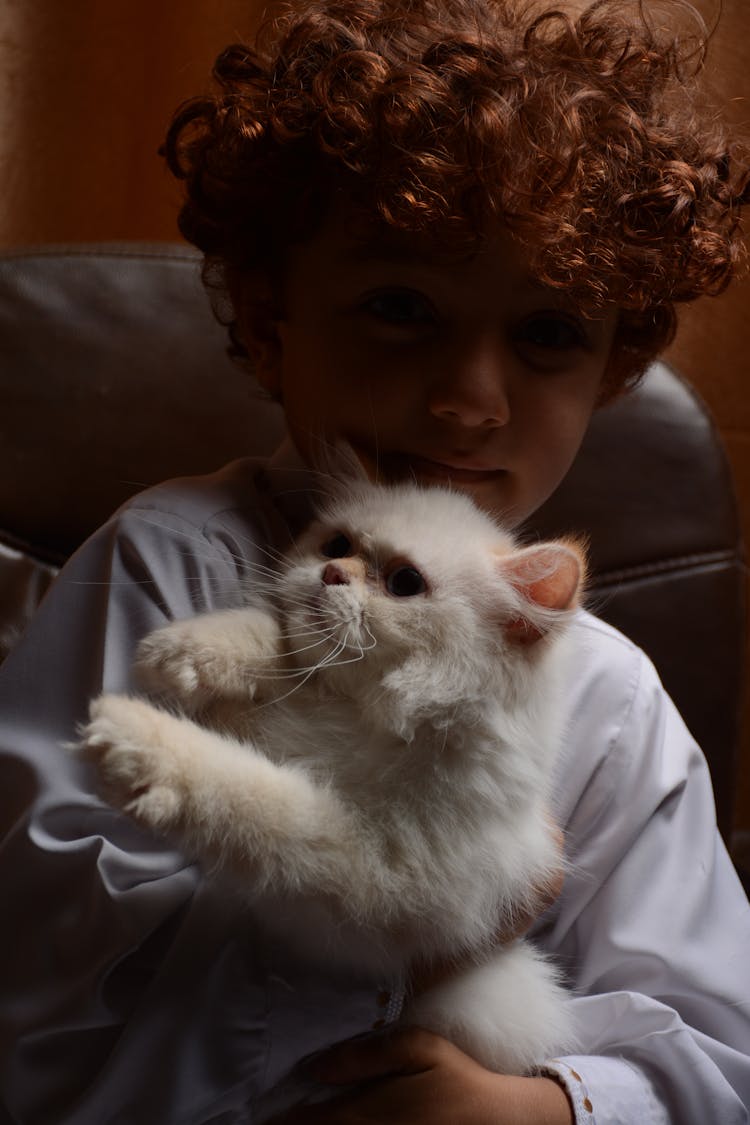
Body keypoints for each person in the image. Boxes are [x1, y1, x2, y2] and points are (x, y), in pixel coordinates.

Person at [1, 0, 749, 1121]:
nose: (470, 401)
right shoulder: (170, 561)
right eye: (400, 307)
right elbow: (33, 921)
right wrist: (417, 900)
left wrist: (542, 1108)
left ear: (614, 367)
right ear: (269, 320)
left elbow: (717, 1048)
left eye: (549, 333)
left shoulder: (608, 698)